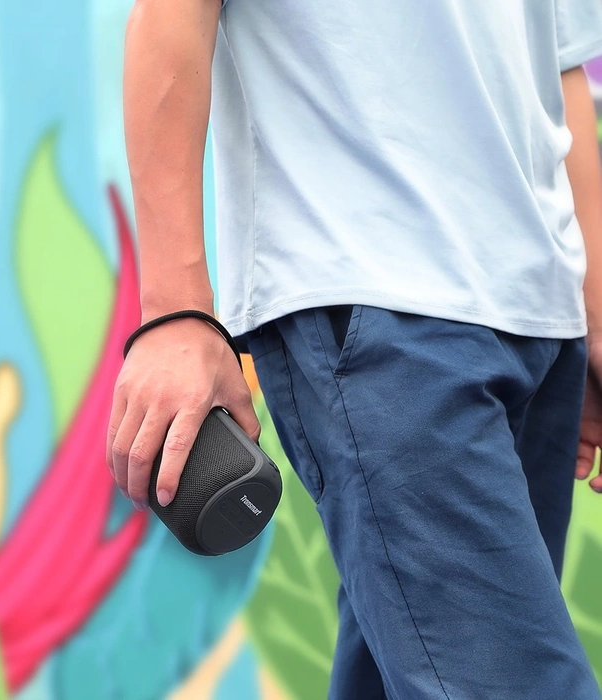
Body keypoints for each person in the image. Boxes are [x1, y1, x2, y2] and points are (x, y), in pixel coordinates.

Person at [108, 0, 602, 697]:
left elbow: (560, 58)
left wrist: (593, 316)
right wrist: (174, 312)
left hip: (541, 315)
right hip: (380, 305)